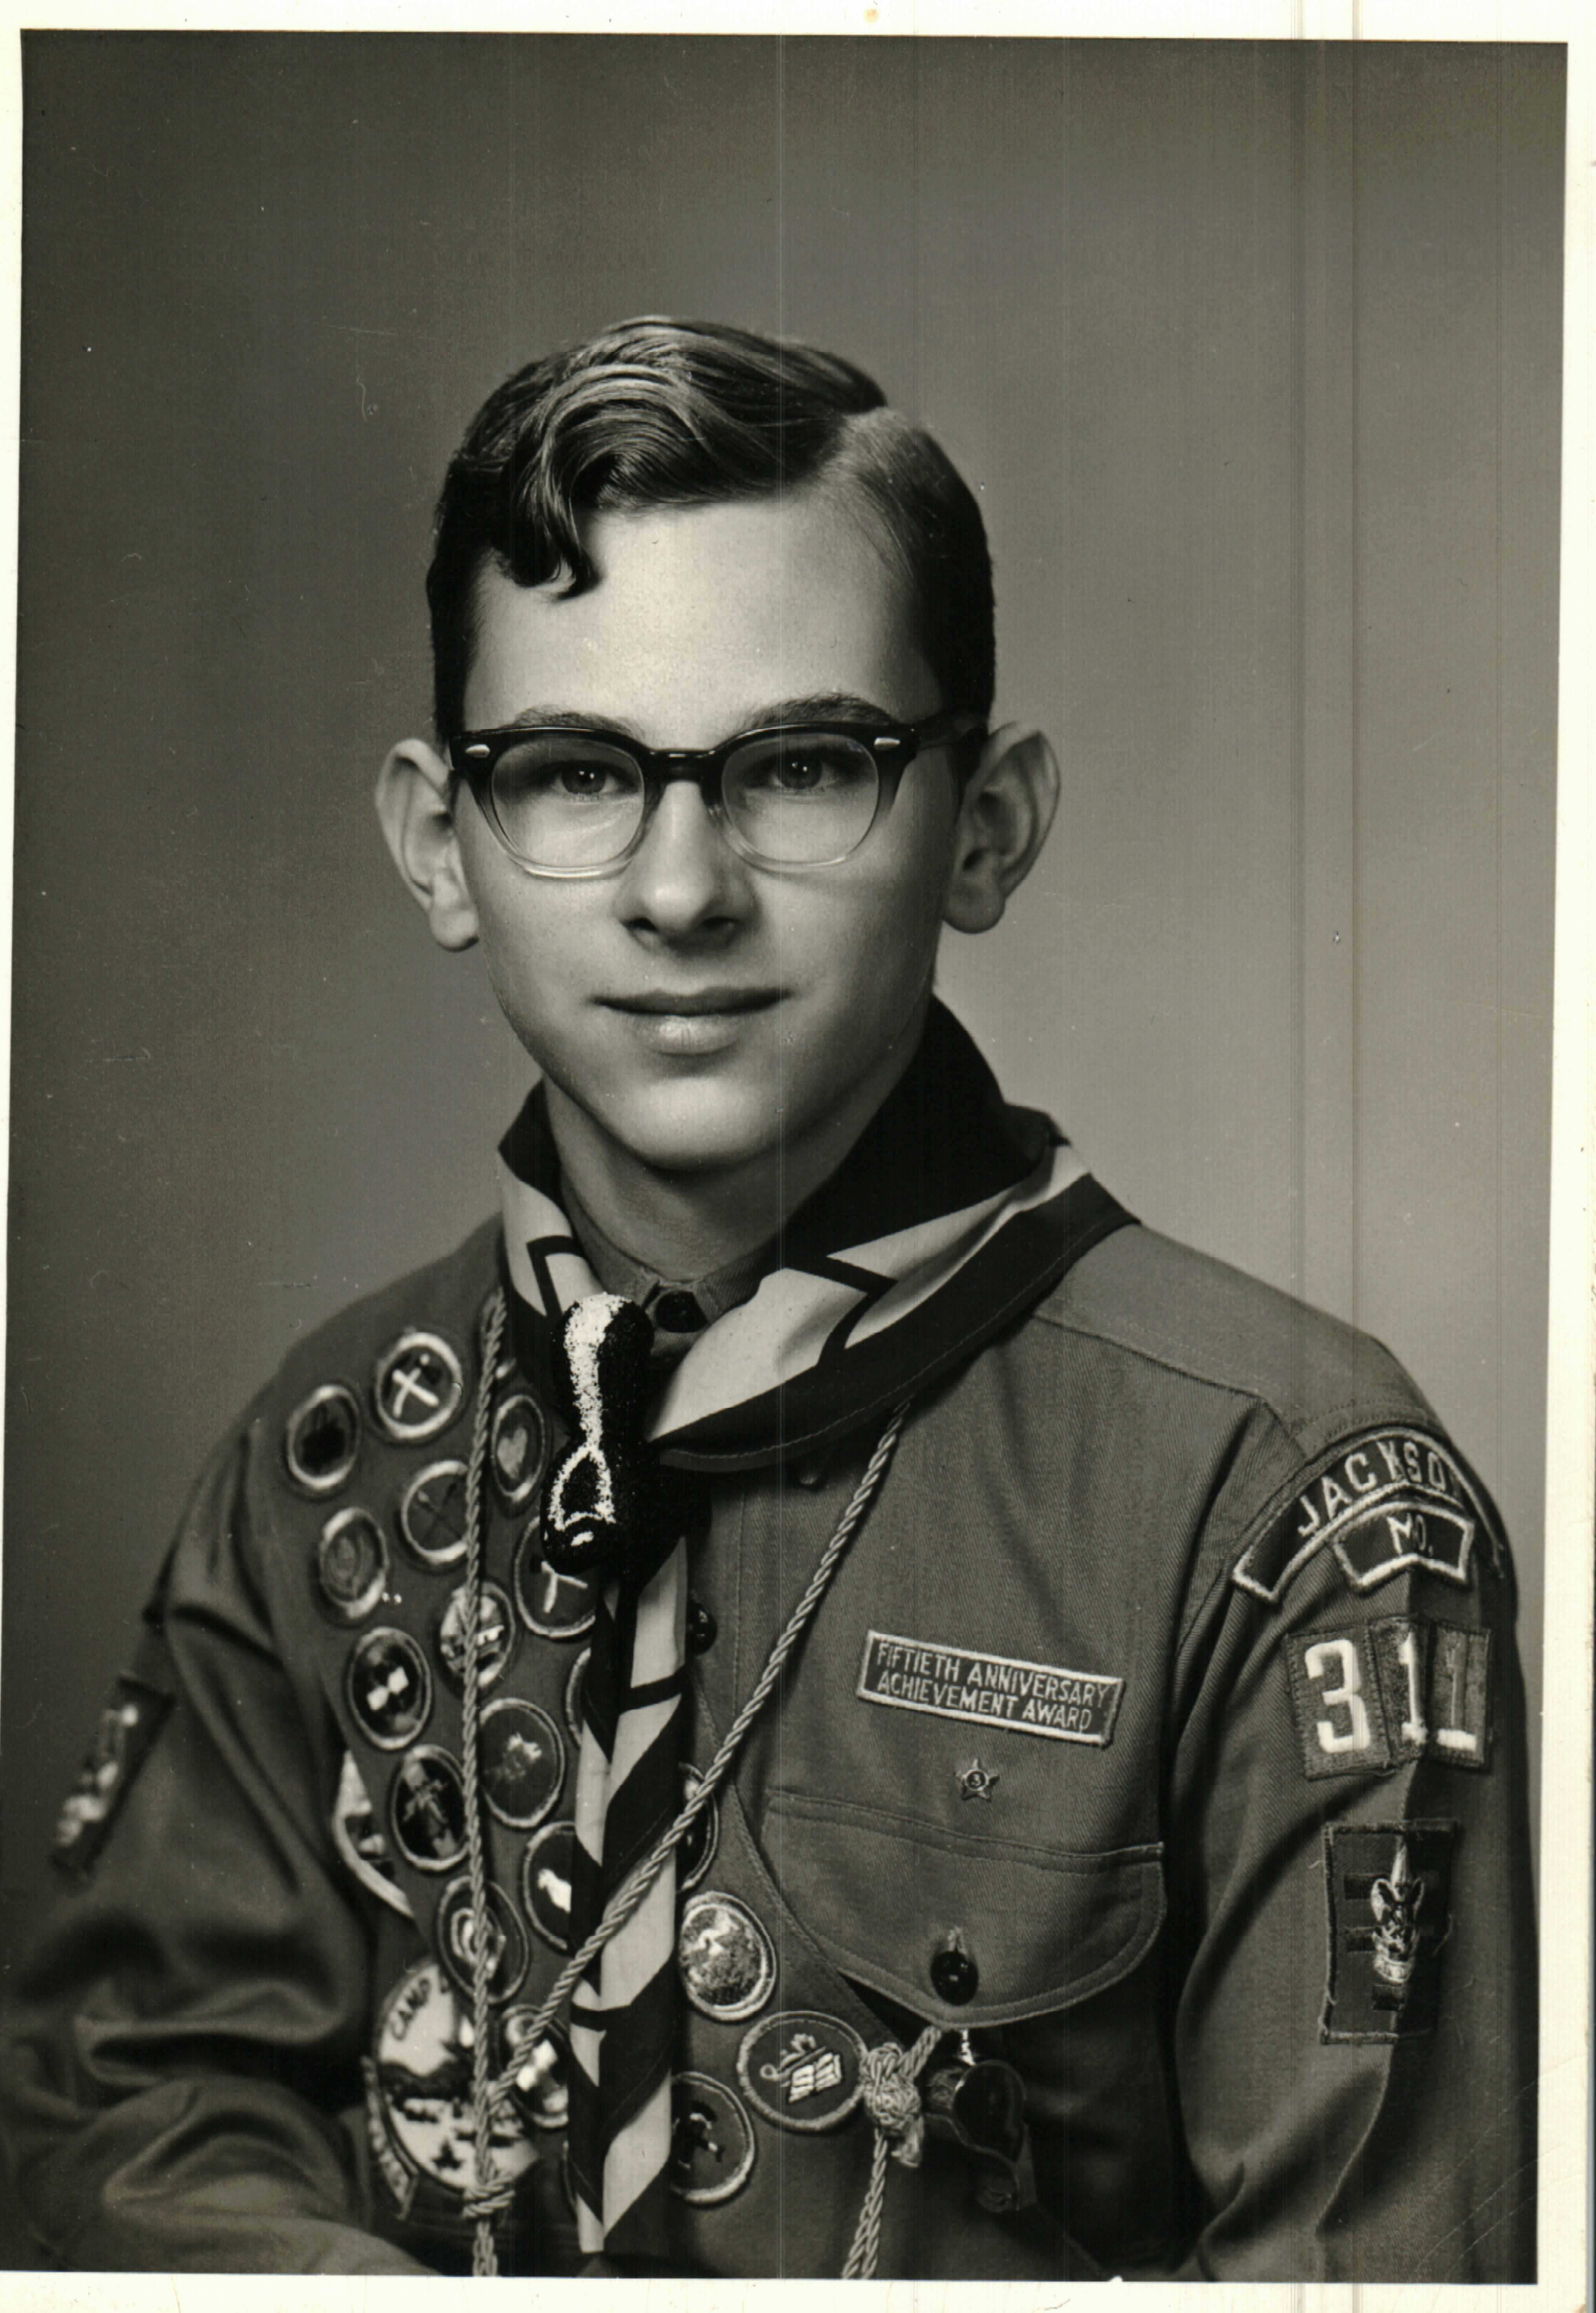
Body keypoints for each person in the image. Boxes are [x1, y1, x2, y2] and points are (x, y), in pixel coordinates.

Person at [0, 317, 1536, 2282]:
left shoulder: (1285, 1503)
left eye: (801, 765)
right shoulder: (333, 1452)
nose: (679, 889)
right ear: (439, 843)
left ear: (987, 824)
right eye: (572, 771)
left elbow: (1368, 2271)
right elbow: (135, 2100)